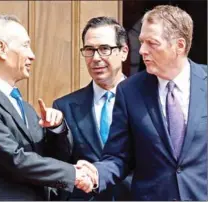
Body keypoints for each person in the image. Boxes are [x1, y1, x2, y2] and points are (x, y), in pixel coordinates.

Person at [76, 5, 207, 201]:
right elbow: (118, 157)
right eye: (141, 42)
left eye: (152, 43)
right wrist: (96, 173)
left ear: (179, 46)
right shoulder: (130, 91)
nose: (142, 50)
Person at [0, 15, 93, 201]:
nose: (32, 55)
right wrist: (73, 174)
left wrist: (56, 129)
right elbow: (13, 160)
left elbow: (49, 155)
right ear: (1, 49)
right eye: (25, 45)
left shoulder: (24, 107)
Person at [52, 16, 132, 201]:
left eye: (104, 49)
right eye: (89, 50)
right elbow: (59, 162)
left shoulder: (146, 101)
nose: (96, 58)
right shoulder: (65, 106)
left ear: (124, 52)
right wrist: (56, 130)